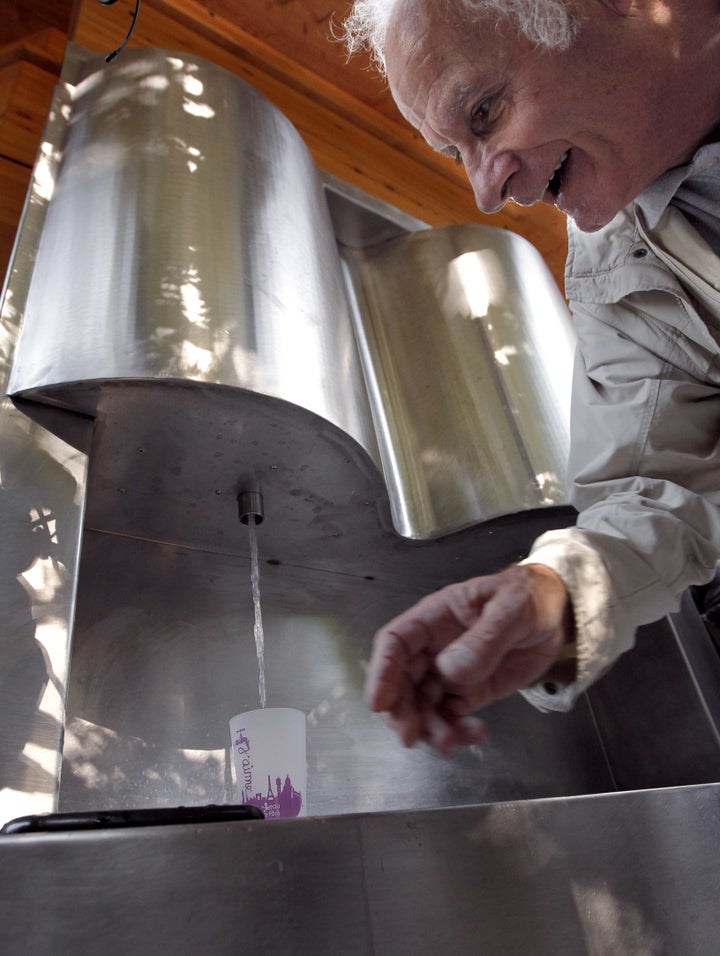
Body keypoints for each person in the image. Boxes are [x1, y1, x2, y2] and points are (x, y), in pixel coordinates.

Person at [342, 0, 720, 751]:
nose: (484, 192)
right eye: (459, 155)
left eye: (483, 113)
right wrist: (556, 591)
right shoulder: (617, 271)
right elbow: (659, 492)